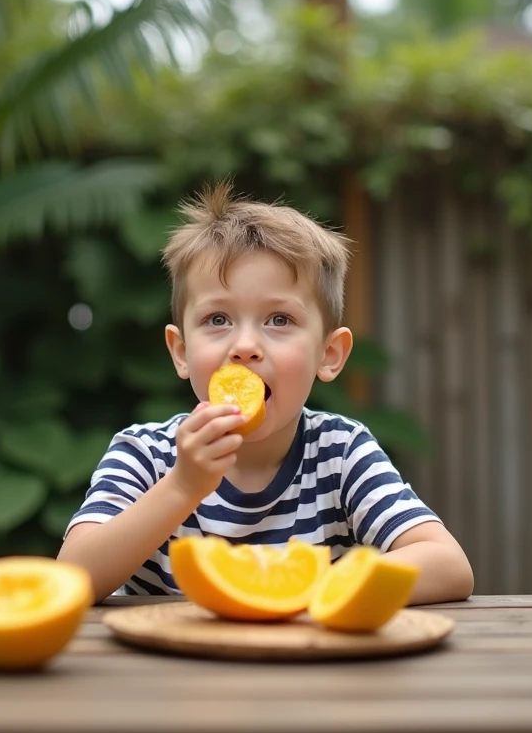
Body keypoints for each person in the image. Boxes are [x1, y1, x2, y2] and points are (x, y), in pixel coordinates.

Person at [57, 182, 474, 604]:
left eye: (278, 319)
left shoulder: (341, 454)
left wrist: (305, 587)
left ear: (328, 355)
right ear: (181, 352)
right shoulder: (144, 455)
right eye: (218, 318)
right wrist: (182, 487)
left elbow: (448, 565)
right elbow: (71, 580)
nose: (245, 346)